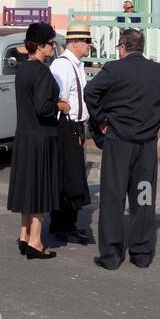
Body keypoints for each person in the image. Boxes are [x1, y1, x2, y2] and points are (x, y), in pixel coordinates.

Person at [84, 28, 160, 270]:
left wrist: (102, 119)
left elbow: (91, 92)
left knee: (113, 197)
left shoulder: (114, 68)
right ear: (142, 48)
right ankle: (141, 253)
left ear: (122, 47)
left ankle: (111, 255)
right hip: (146, 143)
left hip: (118, 141)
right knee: (143, 197)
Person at [7, 22, 68, 260]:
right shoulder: (42, 71)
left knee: (27, 188)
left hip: (24, 135)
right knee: (40, 190)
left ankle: (24, 235)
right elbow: (43, 108)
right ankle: (35, 241)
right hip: (41, 137)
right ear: (40, 45)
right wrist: (60, 105)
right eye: (51, 43)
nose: (54, 47)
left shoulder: (22, 69)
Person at [50, 26, 94, 245]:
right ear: (75, 42)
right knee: (69, 178)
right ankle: (63, 226)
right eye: (87, 41)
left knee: (73, 177)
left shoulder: (76, 65)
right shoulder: (63, 66)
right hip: (67, 126)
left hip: (75, 126)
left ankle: (66, 224)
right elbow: (60, 99)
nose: (89, 45)